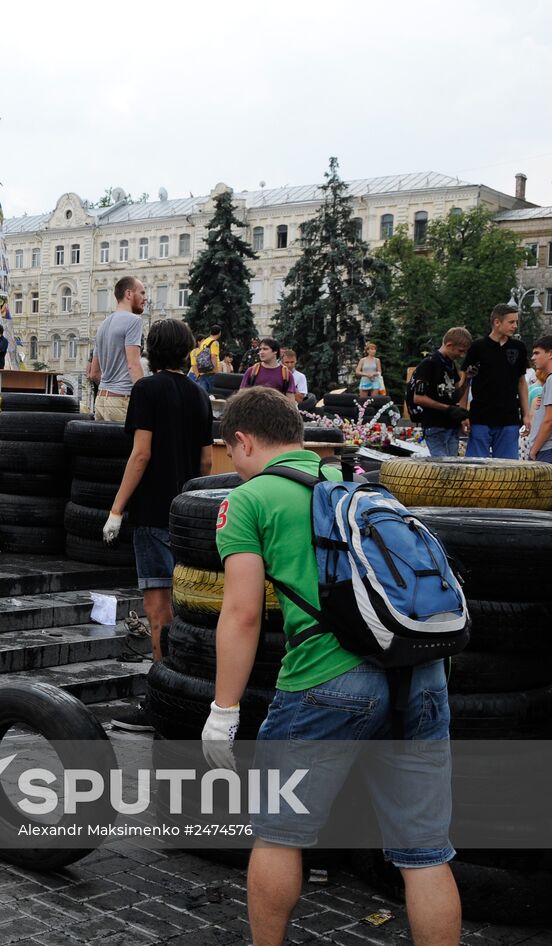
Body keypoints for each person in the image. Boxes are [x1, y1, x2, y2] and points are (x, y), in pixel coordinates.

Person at [206, 387, 459, 946]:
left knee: (278, 837)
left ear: (243, 441)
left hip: (327, 682)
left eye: (231, 450)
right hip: (419, 673)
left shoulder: (249, 500)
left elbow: (243, 615)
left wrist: (224, 710)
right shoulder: (361, 488)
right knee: (425, 854)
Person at [104, 319, 212, 731]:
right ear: (186, 351)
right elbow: (205, 463)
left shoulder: (146, 390)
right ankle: (186, 696)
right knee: (188, 611)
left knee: (158, 613)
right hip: (189, 517)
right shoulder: (199, 395)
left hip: (152, 515)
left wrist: (116, 509)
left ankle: (160, 702)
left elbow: (141, 454)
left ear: (150, 350)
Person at [464, 303, 530, 459]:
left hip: (509, 418)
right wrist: (463, 413)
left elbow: (522, 382)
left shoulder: (518, 347)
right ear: (497, 322)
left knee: (507, 470)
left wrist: (527, 414)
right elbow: (465, 381)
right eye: (511, 322)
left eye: (516, 322)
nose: (515, 326)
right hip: (480, 417)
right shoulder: (478, 347)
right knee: (476, 468)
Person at [407, 327, 473, 458]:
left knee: (453, 467)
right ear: (449, 345)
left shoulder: (450, 365)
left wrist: (467, 379)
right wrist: (447, 408)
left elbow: (454, 395)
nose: (462, 355)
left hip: (451, 426)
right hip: (435, 425)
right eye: (460, 351)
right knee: (443, 467)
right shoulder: (429, 364)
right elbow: (418, 398)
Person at [87, 276, 145, 421]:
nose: (145, 298)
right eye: (142, 293)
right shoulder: (134, 321)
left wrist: (110, 390)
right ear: (129, 294)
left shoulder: (102, 325)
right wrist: (147, 396)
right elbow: (133, 365)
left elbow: (94, 373)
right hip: (122, 401)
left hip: (101, 401)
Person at [528, 334, 552, 463]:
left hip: (546, 449)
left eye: (537, 353)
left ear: (550, 354)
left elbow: (549, 421)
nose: (533, 358)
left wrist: (534, 450)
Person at [189, 325, 223, 395]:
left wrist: (198, 375)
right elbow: (213, 357)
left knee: (204, 395)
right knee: (213, 396)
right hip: (212, 372)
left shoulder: (205, 342)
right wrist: (216, 371)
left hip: (203, 371)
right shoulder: (214, 342)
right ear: (219, 333)